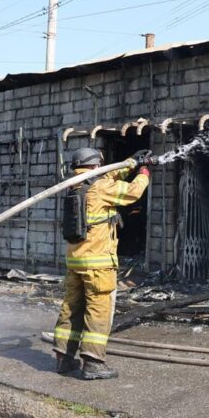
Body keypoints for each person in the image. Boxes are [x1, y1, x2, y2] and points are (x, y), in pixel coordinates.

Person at [54, 147, 151, 380]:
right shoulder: (100, 188)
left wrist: (129, 162)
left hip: (75, 261)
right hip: (97, 264)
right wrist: (144, 172)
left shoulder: (76, 185)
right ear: (95, 165)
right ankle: (93, 362)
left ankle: (63, 359)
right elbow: (133, 193)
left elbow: (106, 176)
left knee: (71, 309)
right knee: (98, 311)